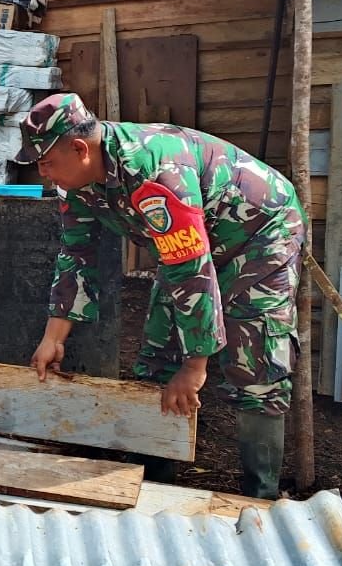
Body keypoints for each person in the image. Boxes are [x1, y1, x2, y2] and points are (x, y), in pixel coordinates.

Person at [17, 93, 306, 499]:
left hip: (259, 233)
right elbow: (77, 253)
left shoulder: (154, 172)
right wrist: (53, 337)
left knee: (254, 361)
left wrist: (195, 365)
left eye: (46, 162)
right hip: (191, 245)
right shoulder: (79, 184)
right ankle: (155, 481)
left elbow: (190, 268)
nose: (44, 174)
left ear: (80, 149)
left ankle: (260, 497)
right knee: (157, 357)